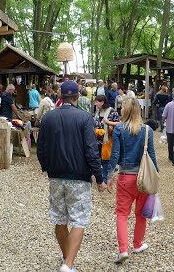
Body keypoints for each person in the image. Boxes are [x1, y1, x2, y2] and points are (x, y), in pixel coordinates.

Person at [37, 80, 107, 272]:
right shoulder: (85, 118)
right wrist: (99, 178)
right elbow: (91, 151)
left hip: (56, 175)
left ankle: (67, 260)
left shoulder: (48, 118)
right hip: (79, 176)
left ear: (60, 96)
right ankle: (68, 264)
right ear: (77, 97)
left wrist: (47, 167)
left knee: (59, 218)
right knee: (78, 219)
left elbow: (40, 148)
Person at [109, 97, 157, 264]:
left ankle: (123, 250)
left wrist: (108, 176)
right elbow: (151, 155)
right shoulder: (147, 130)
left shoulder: (119, 130)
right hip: (143, 179)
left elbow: (114, 155)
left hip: (125, 178)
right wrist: (155, 178)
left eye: (122, 107)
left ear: (127, 110)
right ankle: (137, 244)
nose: (120, 109)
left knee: (122, 215)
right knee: (141, 214)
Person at [94, 95, 121, 183]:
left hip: (108, 139)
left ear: (102, 102)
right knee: (99, 158)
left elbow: (120, 123)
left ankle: (105, 177)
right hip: (98, 140)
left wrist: (109, 123)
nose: (95, 103)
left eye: (97, 102)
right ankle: (104, 173)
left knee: (106, 158)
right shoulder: (97, 112)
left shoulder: (112, 111)